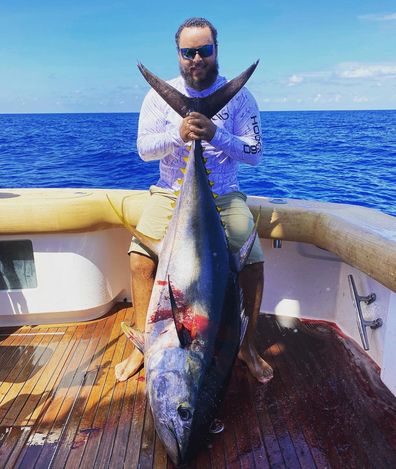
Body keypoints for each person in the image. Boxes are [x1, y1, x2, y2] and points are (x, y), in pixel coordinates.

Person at [115, 17, 273, 384]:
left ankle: (246, 346)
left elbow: (254, 153)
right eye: (188, 52)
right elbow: (143, 150)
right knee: (140, 259)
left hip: (225, 193)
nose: (196, 59)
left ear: (216, 50)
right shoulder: (157, 96)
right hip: (170, 191)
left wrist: (215, 134)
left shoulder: (241, 98)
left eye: (204, 50)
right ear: (179, 54)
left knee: (253, 262)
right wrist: (178, 133)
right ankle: (141, 345)